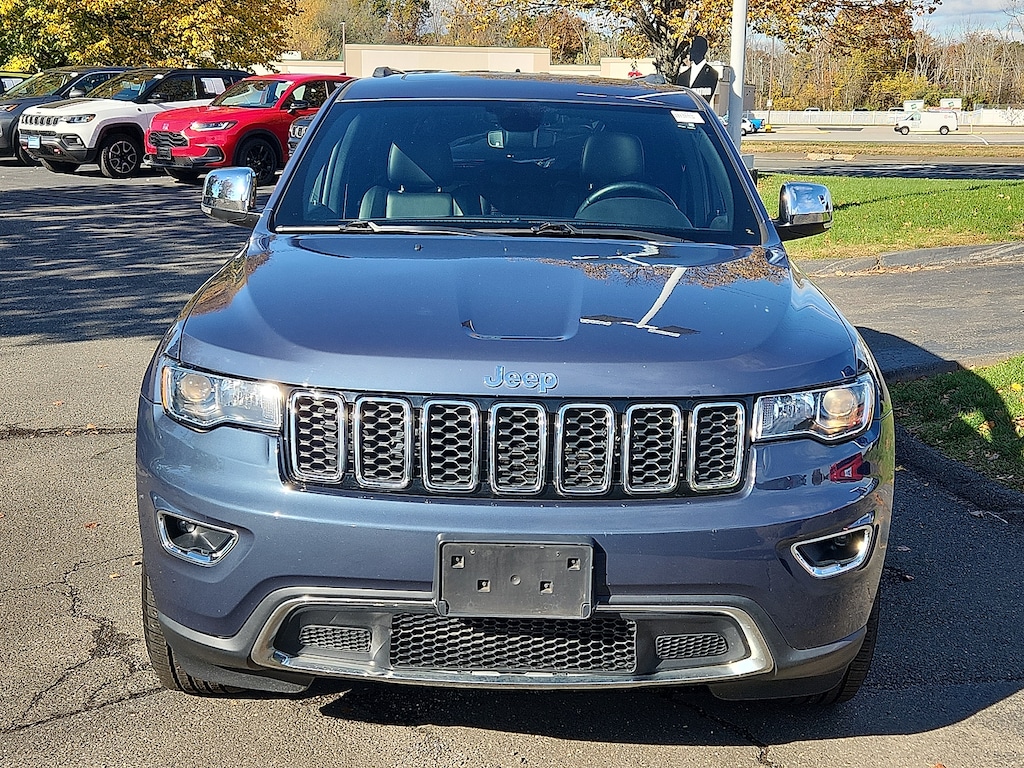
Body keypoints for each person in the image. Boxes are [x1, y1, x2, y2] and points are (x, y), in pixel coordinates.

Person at [674, 36, 719, 101]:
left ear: (699, 50)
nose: (690, 51)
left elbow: (705, 98)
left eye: (692, 48)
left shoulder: (712, 74)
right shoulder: (682, 76)